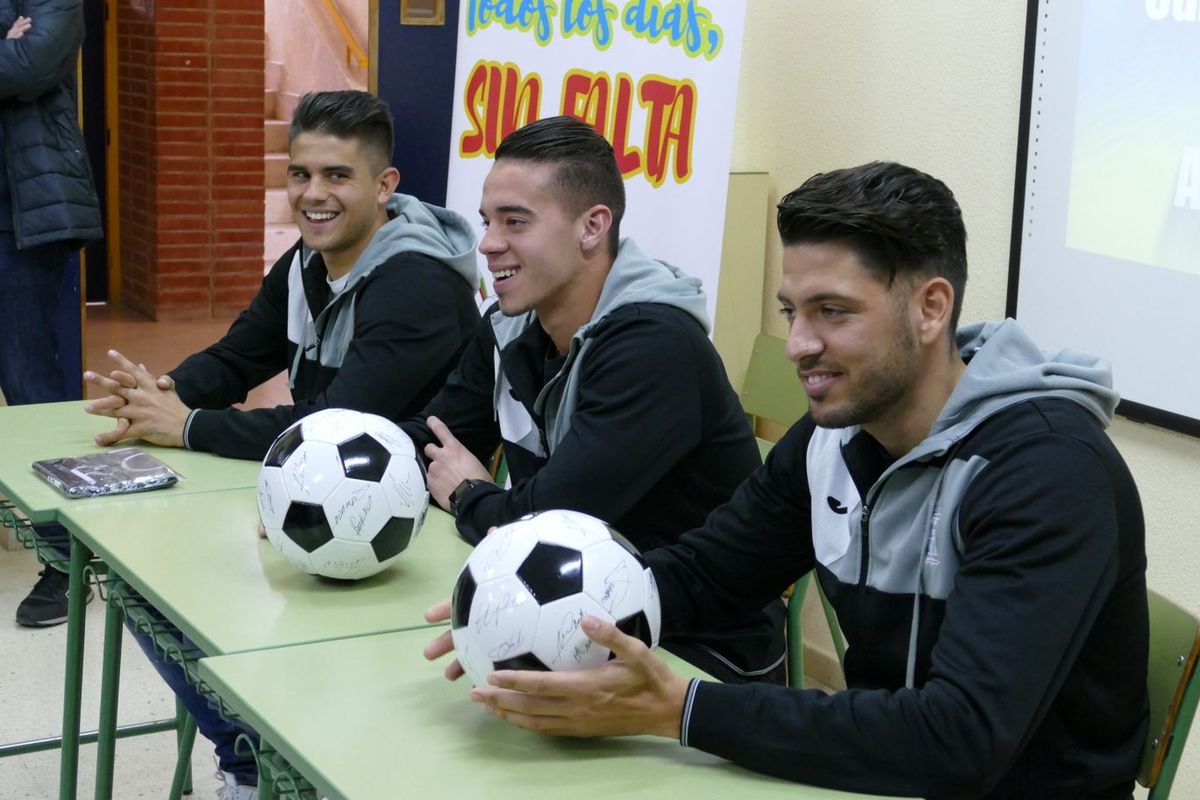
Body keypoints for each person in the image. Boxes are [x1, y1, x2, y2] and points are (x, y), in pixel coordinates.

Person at [427, 162, 1150, 800]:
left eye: (832, 312)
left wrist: (678, 710)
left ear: (931, 309)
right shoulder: (833, 438)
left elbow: (958, 738)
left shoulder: (1048, 473)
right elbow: (711, 573)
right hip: (873, 776)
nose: (800, 345)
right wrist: (529, 619)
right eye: (790, 312)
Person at [85, 90, 480, 799]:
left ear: (384, 186)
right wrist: (160, 392)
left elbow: (332, 421)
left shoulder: (417, 283)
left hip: (412, 536)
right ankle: (248, 755)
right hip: (318, 510)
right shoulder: (306, 258)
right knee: (139, 589)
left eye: (337, 176)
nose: (313, 194)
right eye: (300, 174)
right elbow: (243, 353)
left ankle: (253, 764)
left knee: (190, 612)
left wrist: (187, 426)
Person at [403, 115, 787, 685]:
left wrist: (467, 493)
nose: (487, 244)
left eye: (516, 222)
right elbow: (433, 437)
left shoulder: (655, 347)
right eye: (488, 221)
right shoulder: (510, 325)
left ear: (592, 227)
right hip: (562, 613)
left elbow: (551, 520)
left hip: (694, 648)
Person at [3, 0, 104, 626]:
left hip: (19, 225)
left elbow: (31, 63)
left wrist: (17, 49)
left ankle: (65, 561)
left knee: (36, 395)